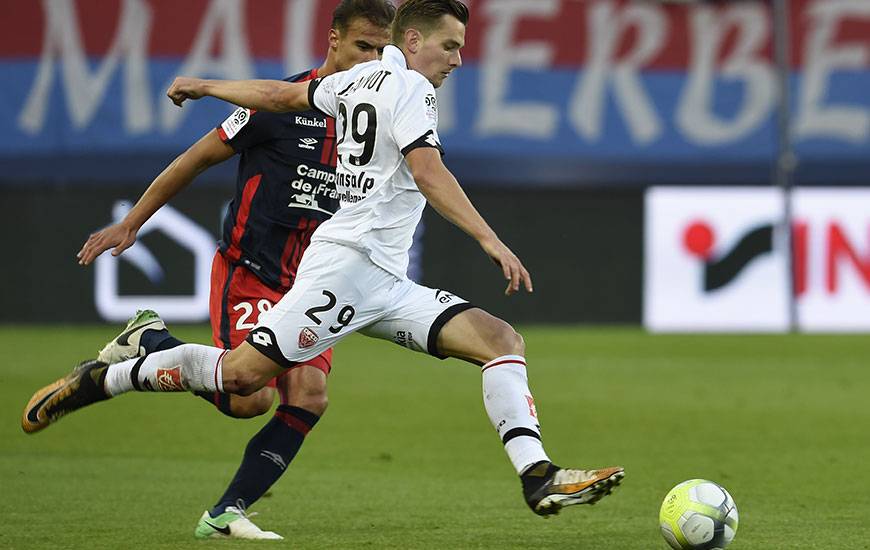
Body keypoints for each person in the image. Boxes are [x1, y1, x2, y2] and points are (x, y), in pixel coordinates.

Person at [24, 0, 624, 521]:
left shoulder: (355, 83)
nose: (458, 60)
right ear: (413, 43)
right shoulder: (411, 89)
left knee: (500, 340)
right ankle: (113, 375)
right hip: (343, 269)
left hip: (383, 281)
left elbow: (283, 94)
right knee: (242, 382)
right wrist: (489, 239)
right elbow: (427, 170)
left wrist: (208, 85)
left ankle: (537, 475)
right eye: (451, 45)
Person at [68, 0, 395, 540]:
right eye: (363, 46)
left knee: (310, 396)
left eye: (382, 51)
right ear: (333, 39)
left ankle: (226, 511)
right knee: (251, 398)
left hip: (317, 283)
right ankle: (151, 341)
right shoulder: (277, 106)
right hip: (254, 270)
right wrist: (132, 223)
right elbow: (195, 158)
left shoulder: (378, 122)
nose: (372, 60)